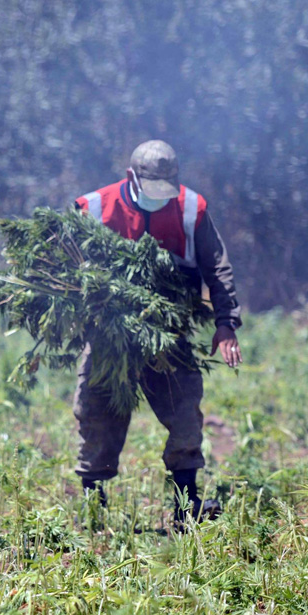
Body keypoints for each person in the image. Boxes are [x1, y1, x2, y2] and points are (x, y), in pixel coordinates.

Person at [73, 139, 242, 527]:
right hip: (109, 336)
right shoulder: (95, 208)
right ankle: (93, 510)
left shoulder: (190, 209)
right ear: (131, 177)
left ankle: (187, 507)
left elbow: (217, 268)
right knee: (97, 414)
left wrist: (226, 322)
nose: (159, 199)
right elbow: (66, 270)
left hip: (169, 336)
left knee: (185, 414)